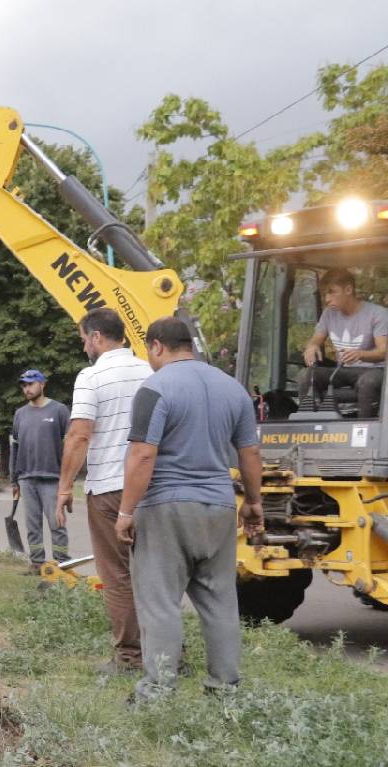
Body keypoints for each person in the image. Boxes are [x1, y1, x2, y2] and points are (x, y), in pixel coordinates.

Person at [116, 316, 264, 700]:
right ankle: (225, 689)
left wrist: (126, 511)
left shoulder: (155, 388)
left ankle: (157, 691)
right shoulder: (234, 390)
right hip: (217, 506)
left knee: (160, 602)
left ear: (157, 346)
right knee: (220, 603)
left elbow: (143, 454)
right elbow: (249, 453)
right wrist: (253, 502)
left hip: (166, 508)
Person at [56, 308, 151, 672]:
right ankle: (170, 653)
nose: (84, 348)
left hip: (110, 490)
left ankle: (130, 658)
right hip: (150, 489)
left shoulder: (92, 377)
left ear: (97, 337)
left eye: (84, 340)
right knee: (156, 574)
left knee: (117, 576)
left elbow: (80, 434)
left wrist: (65, 487)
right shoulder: (149, 371)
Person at [299, 268, 388, 418]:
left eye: (332, 292)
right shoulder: (329, 314)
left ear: (348, 289)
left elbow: (383, 351)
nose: (327, 299)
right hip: (343, 370)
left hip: (375, 371)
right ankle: (313, 426)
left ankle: (363, 432)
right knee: (306, 376)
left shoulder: (377, 313)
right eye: (325, 294)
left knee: (369, 382)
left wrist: (360, 354)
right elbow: (316, 339)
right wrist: (312, 346)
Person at [10, 369, 70, 572]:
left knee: (56, 523)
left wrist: (67, 480)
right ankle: (37, 563)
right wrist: (14, 479)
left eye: (30, 384)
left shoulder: (59, 410)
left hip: (53, 477)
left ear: (42, 385)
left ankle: (63, 563)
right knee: (32, 525)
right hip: (26, 478)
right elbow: (15, 447)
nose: (27, 388)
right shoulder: (20, 414)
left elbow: (70, 446)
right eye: (24, 385)